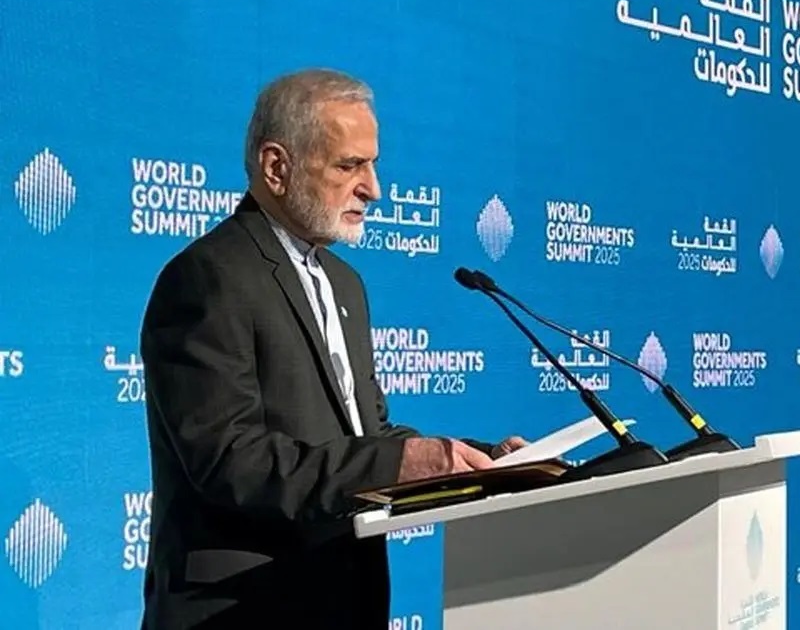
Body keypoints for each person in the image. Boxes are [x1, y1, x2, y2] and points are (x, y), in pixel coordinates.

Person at [139, 68, 525, 629]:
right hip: (244, 610)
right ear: (277, 167)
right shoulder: (207, 277)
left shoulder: (344, 284)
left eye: (372, 164)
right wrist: (397, 463)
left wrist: (477, 460)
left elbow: (367, 436)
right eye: (349, 166)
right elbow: (231, 462)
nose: (373, 188)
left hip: (344, 597)